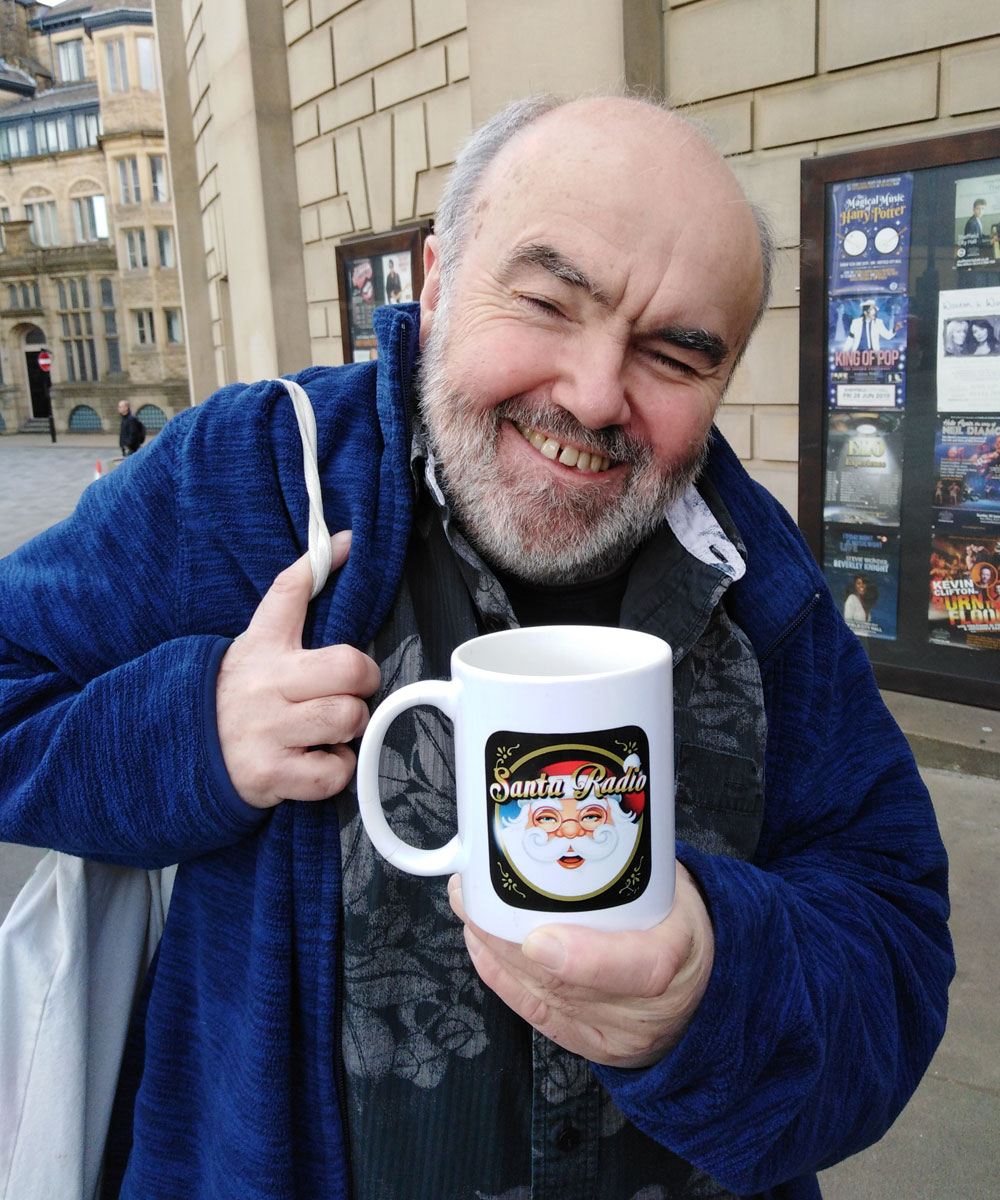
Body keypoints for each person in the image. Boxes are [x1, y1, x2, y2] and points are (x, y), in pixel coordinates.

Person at [0, 94, 952, 1200]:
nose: (595, 395)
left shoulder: (761, 583)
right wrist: (194, 734)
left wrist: (711, 986)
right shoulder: (258, 480)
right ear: (437, 281)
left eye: (675, 355)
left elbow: (894, 943)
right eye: (549, 302)